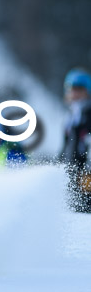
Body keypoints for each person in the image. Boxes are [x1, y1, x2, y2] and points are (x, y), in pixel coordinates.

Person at [60, 67, 91, 212]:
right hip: (70, 177)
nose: (75, 93)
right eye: (71, 89)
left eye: (79, 89)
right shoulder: (70, 117)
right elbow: (65, 147)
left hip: (87, 176)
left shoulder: (88, 115)